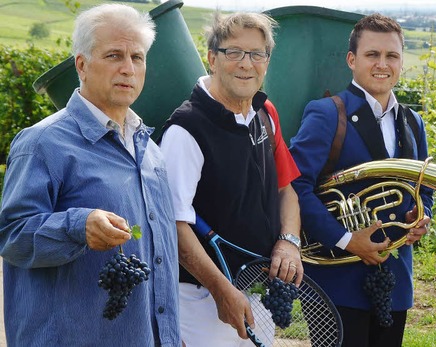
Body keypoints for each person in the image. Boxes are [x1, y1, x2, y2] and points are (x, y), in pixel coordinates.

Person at [0, 4, 181, 346]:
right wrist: (77, 226)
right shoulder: (42, 143)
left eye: (137, 57)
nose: (128, 68)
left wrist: (168, 334)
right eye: (114, 55)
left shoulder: (150, 150)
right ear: (81, 65)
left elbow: (160, 257)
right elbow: (11, 236)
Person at [159, 12, 302, 346]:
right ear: (212, 58)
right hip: (200, 298)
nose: (245, 64)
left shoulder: (266, 113)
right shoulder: (185, 130)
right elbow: (173, 225)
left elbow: (287, 190)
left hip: (258, 288)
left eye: (256, 54)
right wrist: (221, 291)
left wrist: (289, 242)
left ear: (266, 61)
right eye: (233, 52)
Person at [289, 13, 432, 347]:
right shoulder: (326, 113)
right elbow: (295, 185)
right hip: (337, 282)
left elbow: (423, 188)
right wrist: (344, 239)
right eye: (372, 55)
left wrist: (421, 217)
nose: (382, 64)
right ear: (352, 60)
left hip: (395, 282)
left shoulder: (413, 122)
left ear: (401, 62)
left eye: (392, 56)